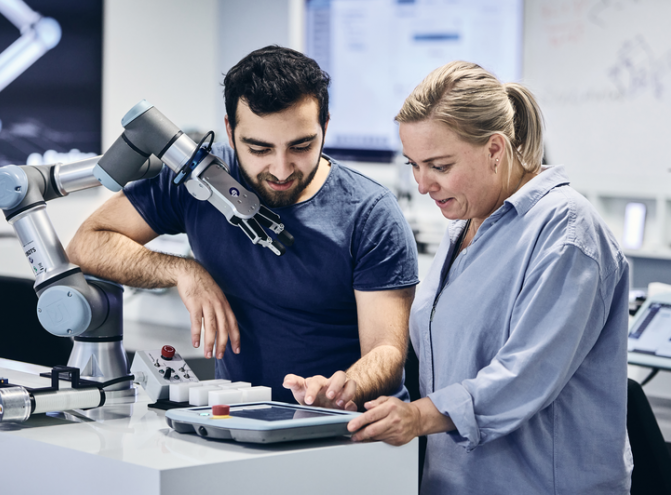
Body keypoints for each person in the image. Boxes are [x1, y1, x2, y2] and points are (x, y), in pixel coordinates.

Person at [67, 45, 419, 409]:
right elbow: (87, 243)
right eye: (259, 148)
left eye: (301, 145)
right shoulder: (201, 179)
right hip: (239, 427)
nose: (281, 169)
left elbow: (386, 351)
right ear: (229, 130)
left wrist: (345, 387)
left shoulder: (370, 213)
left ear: (325, 127)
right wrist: (183, 271)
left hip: (348, 432)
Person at [347, 61, 632, 493]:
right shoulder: (466, 223)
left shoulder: (567, 234)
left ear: (495, 151)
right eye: (414, 165)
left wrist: (418, 417)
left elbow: (524, 375)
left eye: (439, 166)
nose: (423, 185)